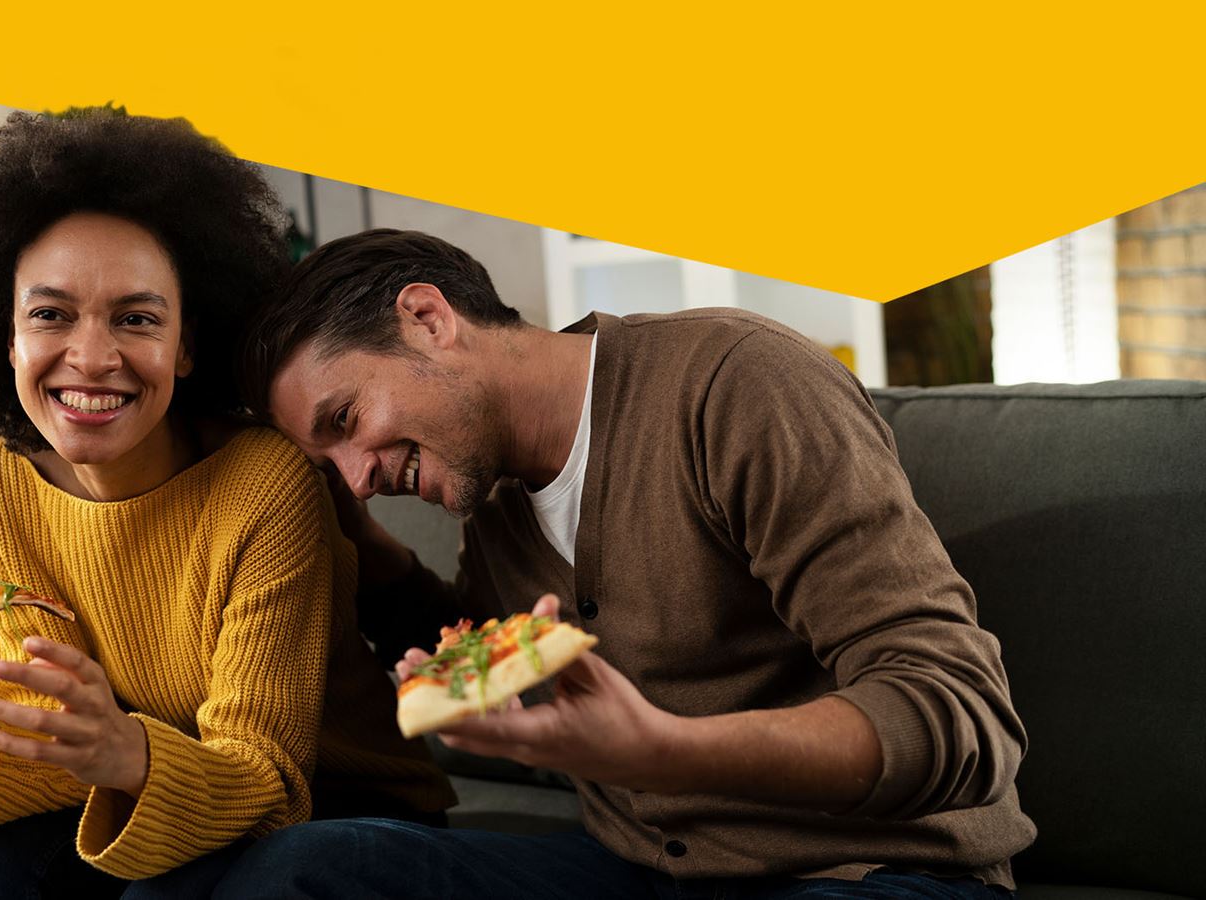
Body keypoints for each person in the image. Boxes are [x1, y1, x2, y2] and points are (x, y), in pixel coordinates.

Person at [232, 228, 1036, 898]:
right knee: (303, 872)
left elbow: (959, 712)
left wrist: (662, 750)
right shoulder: (495, 493)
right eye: (327, 463)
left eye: (345, 419)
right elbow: (489, 653)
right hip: (642, 871)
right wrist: (362, 551)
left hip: (873, 870)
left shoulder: (734, 385)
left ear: (427, 318)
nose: (359, 480)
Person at [0, 113, 454, 897]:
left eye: (136, 318)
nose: (91, 358)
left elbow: (267, 781)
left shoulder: (264, 484)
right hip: (134, 775)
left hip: (330, 806)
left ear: (188, 345)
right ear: (8, 337)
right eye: (50, 314)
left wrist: (124, 752)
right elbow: (63, 748)